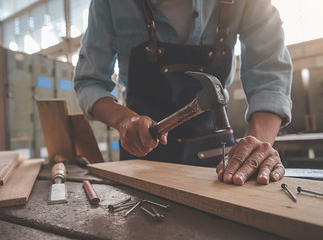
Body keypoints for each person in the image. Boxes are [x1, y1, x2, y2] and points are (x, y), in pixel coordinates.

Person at [74, 0, 292, 186]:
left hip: (218, 163)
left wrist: (256, 144)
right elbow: (89, 81)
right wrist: (124, 120)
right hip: (142, 161)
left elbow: (270, 77)